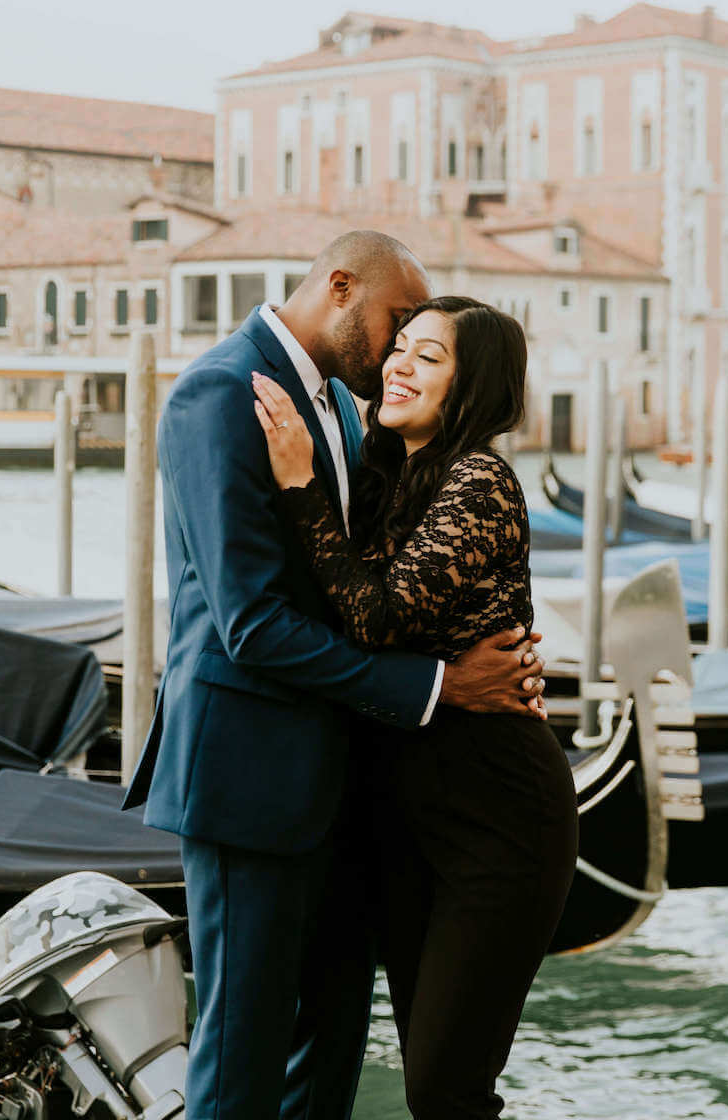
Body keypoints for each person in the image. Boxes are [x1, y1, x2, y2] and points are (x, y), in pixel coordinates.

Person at [122, 233, 546, 1120]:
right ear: (342, 287)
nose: (397, 351)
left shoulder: (352, 417)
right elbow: (251, 624)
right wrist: (440, 687)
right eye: (398, 323)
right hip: (249, 776)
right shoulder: (219, 393)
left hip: (349, 784)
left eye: (423, 344)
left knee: (331, 1052)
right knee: (242, 1060)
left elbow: (373, 587)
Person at [251, 296, 577, 1120]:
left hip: (498, 816)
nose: (398, 365)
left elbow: (376, 618)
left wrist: (299, 485)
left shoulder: (480, 481)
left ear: (473, 386)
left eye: (428, 357)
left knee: (446, 1089)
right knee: (429, 1081)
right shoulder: (388, 479)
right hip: (404, 817)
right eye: (398, 347)